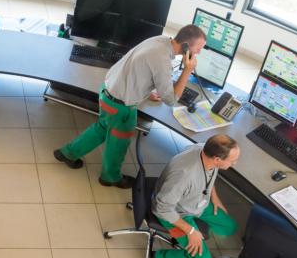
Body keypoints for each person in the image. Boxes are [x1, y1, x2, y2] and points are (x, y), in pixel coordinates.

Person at [54, 24, 207, 187]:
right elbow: (170, 99)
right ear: (185, 46)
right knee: (118, 143)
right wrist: (187, 70)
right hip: (121, 107)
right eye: (198, 48)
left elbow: (138, 68)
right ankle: (110, 177)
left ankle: (67, 153)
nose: (198, 53)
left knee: (102, 128)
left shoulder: (160, 41)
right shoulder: (162, 60)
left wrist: (147, 92)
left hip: (108, 92)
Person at [150, 134, 240, 258]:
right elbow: (162, 208)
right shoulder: (184, 175)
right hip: (174, 212)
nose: (235, 163)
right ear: (217, 159)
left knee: (229, 227)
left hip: (197, 201)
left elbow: (209, 174)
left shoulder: (204, 149)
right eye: (232, 161)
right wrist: (191, 231)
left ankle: (196, 234)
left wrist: (214, 196)